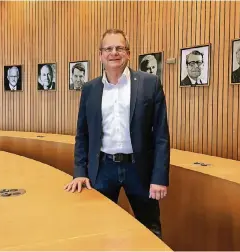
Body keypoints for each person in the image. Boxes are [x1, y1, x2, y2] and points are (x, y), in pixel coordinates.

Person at [64, 29, 170, 239]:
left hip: (139, 169)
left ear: (128, 53)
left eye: (119, 48)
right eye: (109, 48)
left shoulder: (149, 84)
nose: (114, 53)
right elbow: (82, 134)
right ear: (101, 55)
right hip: (103, 169)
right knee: (98, 227)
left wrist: (159, 177)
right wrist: (79, 171)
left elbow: (161, 135)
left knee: (149, 229)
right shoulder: (89, 89)